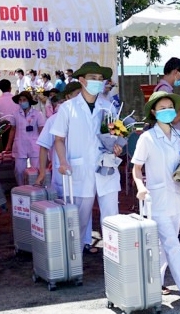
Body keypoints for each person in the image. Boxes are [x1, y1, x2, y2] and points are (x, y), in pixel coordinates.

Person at [131, 91, 180, 307]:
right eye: (161, 108)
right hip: (157, 199)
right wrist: (140, 186)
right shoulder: (147, 138)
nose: (167, 111)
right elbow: (136, 169)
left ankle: (155, 283)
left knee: (165, 243)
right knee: (172, 243)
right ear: (154, 112)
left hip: (178, 197)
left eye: (169, 107)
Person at [51, 62, 121, 255]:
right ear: (81, 80)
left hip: (106, 168)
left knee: (111, 218)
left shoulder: (108, 108)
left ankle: (114, 259)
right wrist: (63, 161)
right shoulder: (68, 108)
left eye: (100, 79)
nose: (97, 82)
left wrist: (117, 148)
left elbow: (116, 136)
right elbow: (58, 139)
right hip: (79, 170)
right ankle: (75, 258)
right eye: (93, 78)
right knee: (80, 219)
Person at [36, 82, 82, 194]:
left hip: (83, 174)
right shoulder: (54, 119)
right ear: (68, 97)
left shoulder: (88, 118)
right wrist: (42, 173)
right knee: (63, 208)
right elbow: (44, 146)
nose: (81, 98)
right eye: (78, 94)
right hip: (62, 174)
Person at [10, 91, 45, 186]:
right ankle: (22, 189)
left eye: (24, 100)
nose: (22, 102)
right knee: (19, 170)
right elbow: (12, 130)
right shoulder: (15, 114)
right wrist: (8, 146)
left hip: (34, 145)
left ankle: (36, 189)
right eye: (20, 100)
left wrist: (45, 146)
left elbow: (41, 130)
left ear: (29, 101)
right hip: (19, 144)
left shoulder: (38, 114)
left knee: (36, 169)